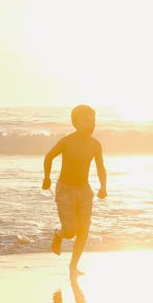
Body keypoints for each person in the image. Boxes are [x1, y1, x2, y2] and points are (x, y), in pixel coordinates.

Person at [43, 105, 107, 275]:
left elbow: (100, 167)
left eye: (93, 121)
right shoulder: (67, 141)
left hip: (84, 190)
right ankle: (58, 234)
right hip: (65, 190)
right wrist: (47, 177)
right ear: (75, 123)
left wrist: (103, 186)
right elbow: (49, 157)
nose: (91, 125)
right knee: (70, 230)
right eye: (86, 122)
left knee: (84, 228)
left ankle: (73, 266)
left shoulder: (95, 145)